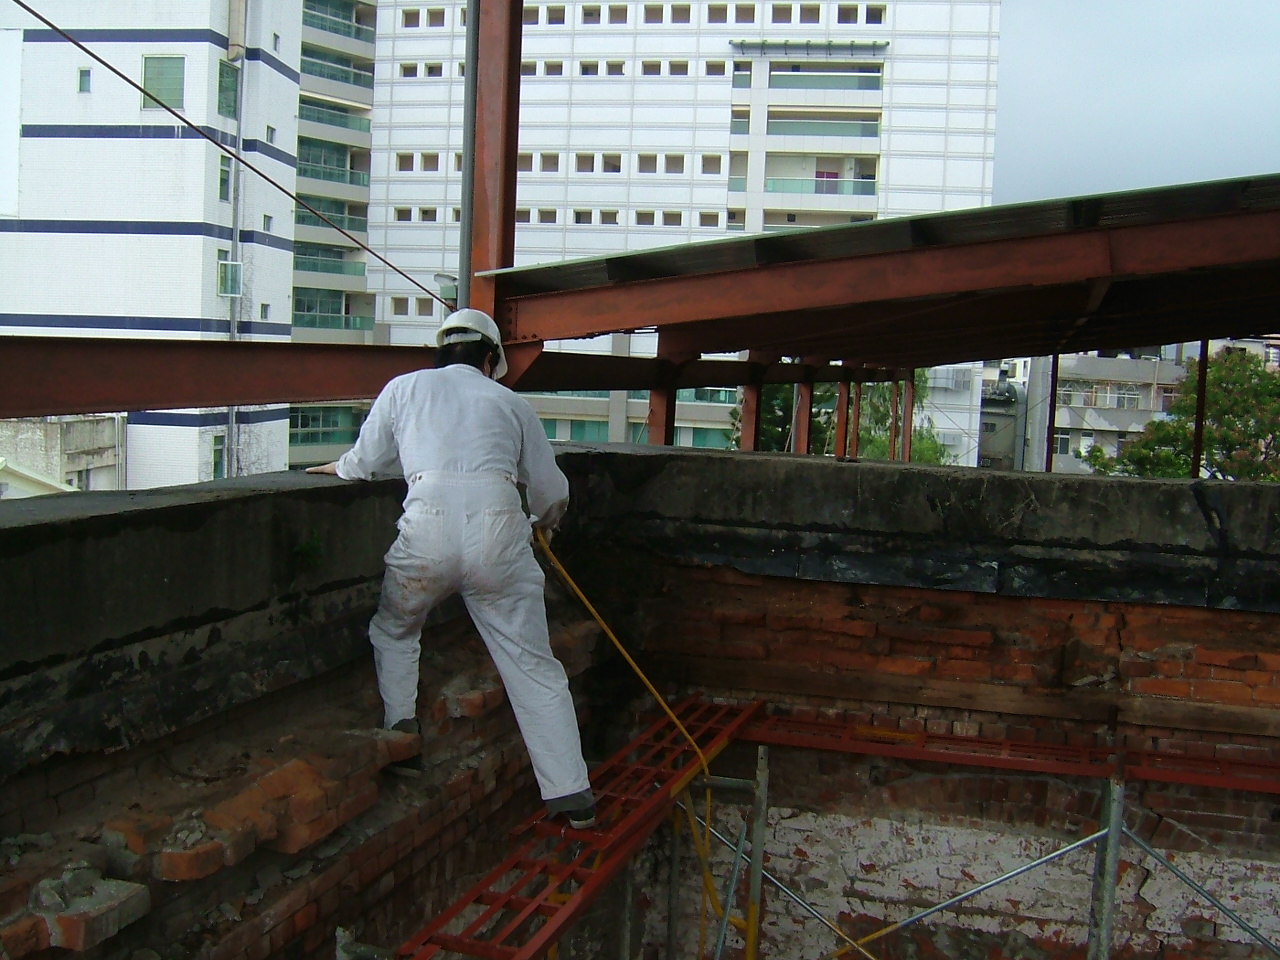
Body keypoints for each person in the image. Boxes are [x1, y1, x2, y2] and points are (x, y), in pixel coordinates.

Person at [306, 308, 595, 828]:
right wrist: (542, 523)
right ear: (490, 358)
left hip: (427, 529)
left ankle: (404, 733)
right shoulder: (510, 402)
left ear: (442, 351)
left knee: (395, 630)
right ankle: (571, 794)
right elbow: (552, 492)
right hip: (500, 534)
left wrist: (339, 466)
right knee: (533, 667)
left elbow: (363, 461)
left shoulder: (404, 388)